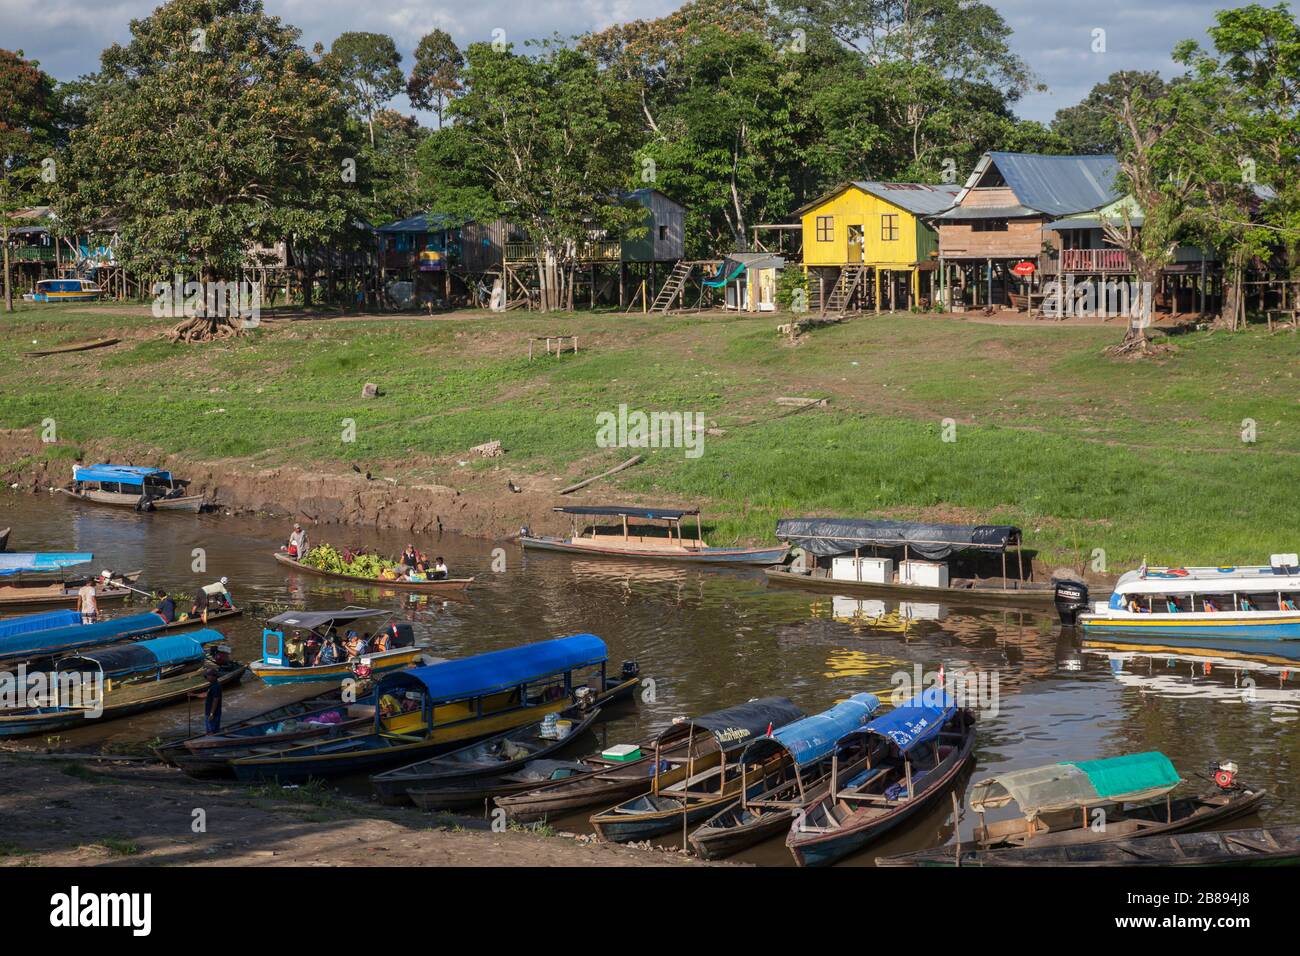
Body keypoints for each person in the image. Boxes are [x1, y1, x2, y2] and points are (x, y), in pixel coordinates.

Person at [203, 669, 223, 734]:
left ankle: (214, 741)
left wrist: (212, 713)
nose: (207, 678)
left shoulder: (216, 686)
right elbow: (206, 694)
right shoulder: (211, 685)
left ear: (214, 676)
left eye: (208, 676)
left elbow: (215, 700)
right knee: (210, 730)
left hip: (213, 713)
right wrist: (194, 695)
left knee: (212, 731)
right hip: (209, 712)